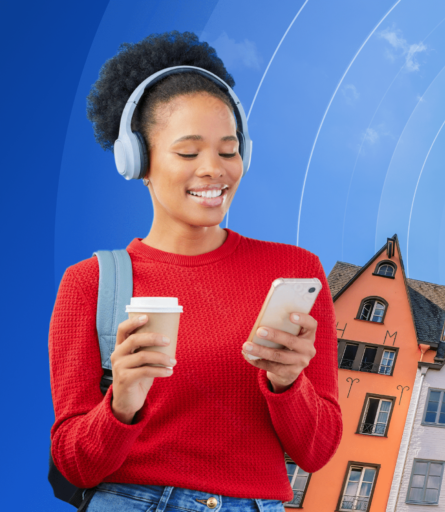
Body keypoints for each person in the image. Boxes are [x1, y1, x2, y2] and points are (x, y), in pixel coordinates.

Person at [48, 31, 342, 511]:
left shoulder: (294, 271)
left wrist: (289, 383)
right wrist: (121, 403)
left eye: (228, 151)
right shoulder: (91, 284)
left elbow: (318, 451)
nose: (214, 169)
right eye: (188, 153)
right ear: (138, 160)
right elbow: (75, 464)